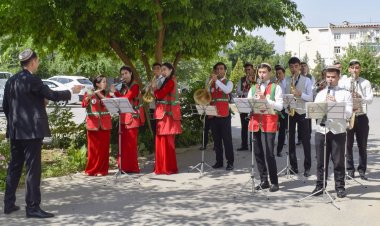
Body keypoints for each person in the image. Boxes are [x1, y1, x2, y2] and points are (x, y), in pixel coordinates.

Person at [3, 49, 80, 218]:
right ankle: (32, 208)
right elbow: (52, 95)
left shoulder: (11, 81)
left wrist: (13, 125)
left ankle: (8, 204)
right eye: (37, 61)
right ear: (32, 62)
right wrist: (71, 91)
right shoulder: (33, 80)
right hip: (31, 133)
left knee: (14, 168)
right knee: (32, 170)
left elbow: (6, 106)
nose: (38, 64)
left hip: (16, 132)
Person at [312, 66, 352, 198]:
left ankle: (340, 187)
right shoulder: (320, 94)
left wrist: (336, 103)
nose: (330, 79)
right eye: (328, 77)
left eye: (333, 77)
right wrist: (323, 104)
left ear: (338, 78)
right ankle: (319, 186)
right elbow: (313, 112)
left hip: (338, 131)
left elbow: (348, 113)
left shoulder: (345, 94)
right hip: (321, 130)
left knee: (338, 161)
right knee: (320, 161)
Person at [248, 63, 283, 192]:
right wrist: (254, 99)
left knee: (269, 154)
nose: (261, 74)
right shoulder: (253, 88)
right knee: (258, 153)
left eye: (264, 72)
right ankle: (264, 180)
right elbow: (248, 104)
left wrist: (266, 100)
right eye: (260, 72)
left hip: (269, 123)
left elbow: (280, 106)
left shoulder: (276, 87)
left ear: (270, 73)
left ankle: (274, 182)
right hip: (255, 122)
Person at [340, 59, 373, 180]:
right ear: (349, 69)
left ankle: (362, 170)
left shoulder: (366, 82)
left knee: (362, 145)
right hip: (348, 116)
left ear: (360, 69)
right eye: (352, 67)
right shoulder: (344, 82)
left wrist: (361, 97)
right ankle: (350, 170)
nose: (355, 70)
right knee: (348, 145)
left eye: (357, 67)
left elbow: (370, 99)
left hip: (361, 116)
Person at [285, 57, 313, 177]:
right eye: (291, 67)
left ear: (300, 67)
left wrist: (300, 94)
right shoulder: (286, 80)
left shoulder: (307, 80)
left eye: (296, 66)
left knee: (306, 141)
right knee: (290, 141)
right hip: (291, 112)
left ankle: (307, 167)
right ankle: (293, 166)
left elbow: (310, 98)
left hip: (302, 113)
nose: (294, 69)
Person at [153, 62, 182, 174]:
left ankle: (168, 167)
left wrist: (155, 88)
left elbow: (160, 95)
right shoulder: (165, 81)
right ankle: (161, 167)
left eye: (165, 70)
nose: (163, 72)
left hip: (168, 116)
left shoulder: (171, 81)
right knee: (161, 141)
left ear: (171, 70)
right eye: (162, 70)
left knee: (167, 142)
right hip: (162, 114)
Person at [115, 66, 145, 173]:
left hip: (132, 118)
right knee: (123, 144)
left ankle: (132, 168)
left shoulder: (135, 85)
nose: (124, 76)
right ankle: (123, 167)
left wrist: (115, 93)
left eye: (126, 73)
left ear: (131, 73)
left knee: (131, 145)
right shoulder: (124, 86)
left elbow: (127, 98)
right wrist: (114, 93)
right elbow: (121, 99)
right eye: (122, 74)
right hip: (123, 117)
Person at [82, 75, 113, 176]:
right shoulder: (90, 92)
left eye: (105, 81)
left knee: (104, 149)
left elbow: (109, 105)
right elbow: (83, 104)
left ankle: (102, 170)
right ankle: (91, 170)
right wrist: (89, 97)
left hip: (105, 124)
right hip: (93, 124)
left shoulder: (107, 93)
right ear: (97, 84)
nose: (105, 83)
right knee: (93, 149)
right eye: (103, 82)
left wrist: (101, 95)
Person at [209, 62, 234, 171]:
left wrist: (217, 81)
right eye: (217, 69)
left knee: (227, 140)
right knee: (217, 141)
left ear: (225, 71)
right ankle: (219, 161)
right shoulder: (211, 83)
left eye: (221, 69)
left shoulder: (229, 82)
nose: (219, 71)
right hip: (213, 115)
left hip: (224, 115)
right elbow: (208, 97)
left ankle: (230, 162)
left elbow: (227, 90)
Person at [235, 62, 256, 151]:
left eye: (249, 69)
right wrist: (247, 93)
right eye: (246, 70)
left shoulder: (256, 78)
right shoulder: (242, 79)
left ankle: (253, 146)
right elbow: (238, 91)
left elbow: (258, 90)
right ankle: (244, 145)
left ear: (253, 69)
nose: (247, 71)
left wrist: (252, 82)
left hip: (253, 105)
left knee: (253, 126)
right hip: (244, 104)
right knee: (244, 126)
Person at [274, 65, 287, 157]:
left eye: (280, 73)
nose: (278, 75)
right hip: (275, 108)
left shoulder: (287, 82)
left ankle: (279, 150)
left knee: (282, 130)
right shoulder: (274, 83)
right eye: (277, 74)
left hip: (284, 109)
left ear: (284, 74)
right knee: (273, 129)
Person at [149, 63, 163, 139]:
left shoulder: (162, 80)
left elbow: (160, 93)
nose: (156, 70)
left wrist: (153, 88)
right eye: (154, 68)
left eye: (158, 68)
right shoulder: (153, 79)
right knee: (154, 127)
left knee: (159, 128)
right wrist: (148, 89)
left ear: (161, 70)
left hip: (159, 107)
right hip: (152, 106)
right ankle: (156, 147)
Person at [301, 62, 314, 136]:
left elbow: (312, 88)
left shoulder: (311, 77)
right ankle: (300, 137)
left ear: (307, 67)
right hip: (301, 101)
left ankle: (308, 135)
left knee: (308, 120)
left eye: (304, 66)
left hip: (308, 100)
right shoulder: (298, 76)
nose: (303, 68)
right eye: (302, 66)